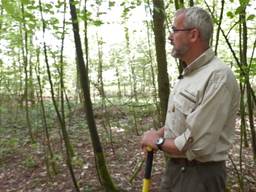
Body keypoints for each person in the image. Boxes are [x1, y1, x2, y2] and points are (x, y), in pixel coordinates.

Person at [140, 7, 240, 192]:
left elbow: (198, 144)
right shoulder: (190, 74)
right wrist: (159, 134)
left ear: (193, 35)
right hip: (177, 169)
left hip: (199, 176)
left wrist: (158, 143)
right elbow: (183, 122)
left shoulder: (218, 77)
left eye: (174, 30)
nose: (170, 37)